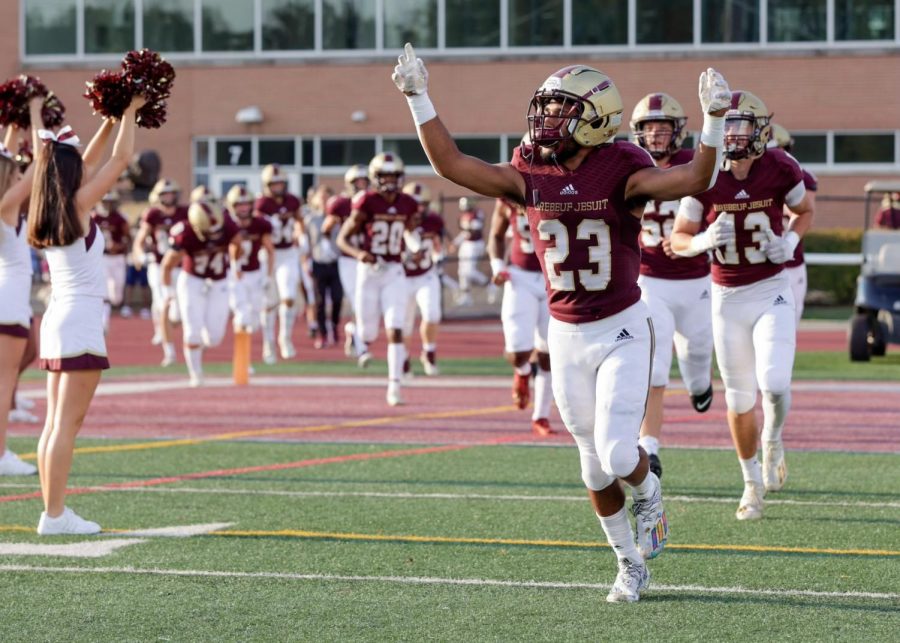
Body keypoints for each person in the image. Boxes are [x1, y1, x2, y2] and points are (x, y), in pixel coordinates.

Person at [393, 44, 731, 601]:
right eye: (546, 108)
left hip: (622, 323)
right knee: (593, 470)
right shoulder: (530, 167)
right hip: (565, 331)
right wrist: (417, 96)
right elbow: (452, 165)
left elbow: (696, 178)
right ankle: (629, 564)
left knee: (622, 453)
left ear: (596, 118)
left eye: (561, 109)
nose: (548, 119)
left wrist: (715, 121)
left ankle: (650, 495)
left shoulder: (622, 165)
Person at [671, 91, 815, 521]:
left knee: (774, 383)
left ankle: (773, 436)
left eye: (740, 125)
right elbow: (678, 237)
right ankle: (751, 484)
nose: (732, 134)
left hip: (771, 288)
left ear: (760, 130)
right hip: (726, 296)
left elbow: (804, 210)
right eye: (726, 125)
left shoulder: (780, 166)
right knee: (738, 397)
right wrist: (699, 242)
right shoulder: (706, 172)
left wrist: (788, 241)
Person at [29, 96, 146, 534]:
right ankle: (56, 515)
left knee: (55, 424)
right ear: (70, 172)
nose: (84, 165)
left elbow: (92, 158)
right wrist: (132, 112)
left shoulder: (48, 206)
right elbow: (120, 158)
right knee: (66, 426)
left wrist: (109, 118)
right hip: (77, 320)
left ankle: (52, 512)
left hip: (58, 317)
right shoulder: (76, 207)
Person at [630, 92, 715, 479]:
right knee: (655, 366)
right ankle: (650, 446)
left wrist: (697, 238)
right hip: (651, 280)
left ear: (678, 132)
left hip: (696, 278)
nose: (657, 136)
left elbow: (719, 205)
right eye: (650, 128)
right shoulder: (628, 165)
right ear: (638, 133)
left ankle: (699, 386)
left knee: (698, 355)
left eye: (664, 128)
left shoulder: (692, 166)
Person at [336, 152, 420, 406]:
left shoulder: (407, 203)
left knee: (396, 327)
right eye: (385, 175)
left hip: (394, 271)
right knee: (369, 332)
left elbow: (409, 231)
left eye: (394, 175)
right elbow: (342, 239)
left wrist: (415, 247)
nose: (390, 180)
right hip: (370, 273)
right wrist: (360, 253)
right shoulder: (367, 202)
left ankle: (394, 385)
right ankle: (354, 331)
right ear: (375, 177)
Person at [487, 195, 555, 437]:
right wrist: (497, 266)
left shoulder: (562, 191)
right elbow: (496, 235)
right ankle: (523, 371)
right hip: (520, 276)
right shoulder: (508, 196)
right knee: (518, 352)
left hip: (554, 276)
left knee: (549, 353)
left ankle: (541, 416)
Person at [0, 100, 43, 474]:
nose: (19, 176)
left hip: (7, 294)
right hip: (9, 297)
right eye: (14, 172)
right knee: (4, 380)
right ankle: (0, 455)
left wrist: (13, 125)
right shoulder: (6, 203)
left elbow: (8, 157)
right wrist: (35, 114)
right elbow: (39, 165)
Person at [162, 195, 241, 387]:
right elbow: (167, 265)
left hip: (219, 279)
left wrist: (234, 263)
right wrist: (168, 293)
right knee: (192, 332)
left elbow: (237, 243)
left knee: (214, 337)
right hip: (192, 280)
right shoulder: (186, 232)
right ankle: (196, 374)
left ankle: (198, 349)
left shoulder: (228, 223)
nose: (214, 235)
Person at [132, 178, 187, 366]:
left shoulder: (185, 212)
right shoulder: (153, 214)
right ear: (157, 196)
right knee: (164, 303)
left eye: (171, 193)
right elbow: (140, 239)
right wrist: (140, 255)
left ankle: (164, 329)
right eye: (165, 194)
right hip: (158, 264)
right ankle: (169, 352)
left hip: (180, 266)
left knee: (177, 315)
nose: (169, 197)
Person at [769, 123, 818, 325]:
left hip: (790, 261)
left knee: (787, 327)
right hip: (755, 263)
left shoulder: (799, 176)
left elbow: (807, 215)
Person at [254, 164, 304, 362]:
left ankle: (285, 338)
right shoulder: (261, 204)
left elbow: (299, 220)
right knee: (268, 303)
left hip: (288, 252)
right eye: (273, 184)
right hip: (268, 255)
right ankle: (268, 343)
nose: (277, 187)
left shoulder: (292, 201)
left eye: (280, 183)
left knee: (289, 296)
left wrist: (300, 232)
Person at [323, 164, 370, 357]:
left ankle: (352, 330)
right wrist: (329, 245)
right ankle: (362, 348)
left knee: (366, 303)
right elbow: (326, 227)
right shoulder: (341, 204)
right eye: (357, 182)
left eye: (363, 181)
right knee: (357, 301)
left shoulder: (373, 201)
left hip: (367, 258)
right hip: (348, 259)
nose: (360, 185)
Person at [401, 181, 445, 375]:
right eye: (414, 203)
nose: (418, 209)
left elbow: (437, 242)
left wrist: (438, 254)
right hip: (401, 278)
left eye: (422, 204)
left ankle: (429, 350)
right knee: (404, 323)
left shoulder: (433, 220)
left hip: (426, 274)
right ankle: (402, 358)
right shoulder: (397, 219)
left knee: (432, 314)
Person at [225, 185, 274, 342]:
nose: (244, 208)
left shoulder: (259, 223)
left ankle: (245, 355)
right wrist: (234, 266)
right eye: (239, 204)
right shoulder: (227, 224)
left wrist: (268, 275)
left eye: (246, 204)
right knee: (242, 316)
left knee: (254, 321)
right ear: (232, 206)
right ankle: (242, 362)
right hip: (235, 274)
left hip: (255, 272)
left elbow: (270, 250)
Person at [306, 184, 343, 349]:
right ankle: (322, 334)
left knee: (337, 298)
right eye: (321, 198)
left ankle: (334, 326)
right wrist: (306, 261)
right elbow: (307, 242)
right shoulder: (311, 219)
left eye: (327, 198)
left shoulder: (339, 218)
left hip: (336, 262)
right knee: (319, 301)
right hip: (318, 262)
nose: (324, 201)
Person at [91, 188, 131, 332]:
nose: (108, 205)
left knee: (117, 296)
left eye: (110, 202)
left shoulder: (120, 218)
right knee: (105, 292)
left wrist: (120, 246)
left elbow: (128, 238)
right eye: (105, 202)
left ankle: (115, 305)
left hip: (118, 257)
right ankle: (104, 323)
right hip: (102, 258)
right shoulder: (94, 217)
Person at [452, 196, 495, 305]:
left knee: (469, 271)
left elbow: (474, 231)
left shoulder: (476, 214)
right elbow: (465, 232)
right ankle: (466, 297)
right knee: (461, 271)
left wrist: (458, 240)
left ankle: (489, 284)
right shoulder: (463, 216)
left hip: (475, 244)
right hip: (466, 243)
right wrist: (456, 243)